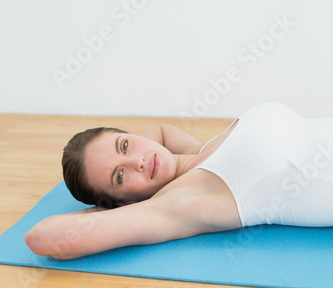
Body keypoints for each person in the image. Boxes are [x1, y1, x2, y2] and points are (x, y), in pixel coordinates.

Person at [24, 101, 333, 260]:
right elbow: (43, 238)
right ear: (122, 201)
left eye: (125, 145)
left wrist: (132, 174)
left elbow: (160, 130)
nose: (138, 161)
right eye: (120, 175)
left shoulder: (197, 151)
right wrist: (119, 211)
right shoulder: (181, 202)